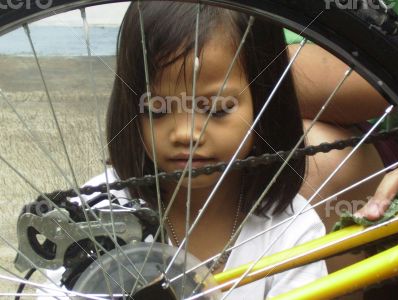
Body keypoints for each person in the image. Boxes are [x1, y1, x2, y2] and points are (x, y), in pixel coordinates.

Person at [102, 2, 327, 299]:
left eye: (217, 109)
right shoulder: (100, 211)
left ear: (266, 103)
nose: (185, 133)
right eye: (156, 109)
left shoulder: (292, 231)